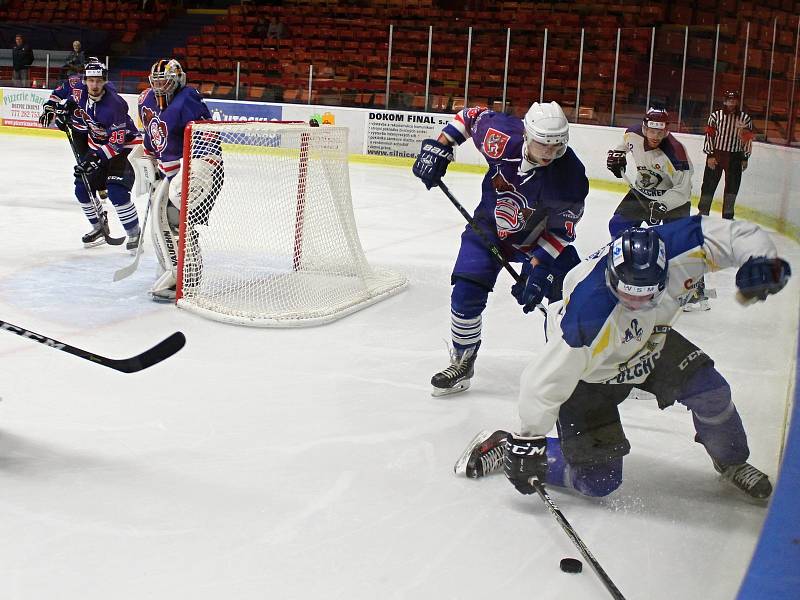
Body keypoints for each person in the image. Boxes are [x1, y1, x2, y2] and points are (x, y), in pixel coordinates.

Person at [456, 216, 791, 503]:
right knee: (598, 481)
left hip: (649, 341)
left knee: (712, 392)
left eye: (646, 293)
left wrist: (761, 260)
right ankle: (506, 445)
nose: (636, 301)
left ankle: (731, 462)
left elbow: (740, 235)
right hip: (591, 373)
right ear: (611, 277)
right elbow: (542, 380)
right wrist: (529, 440)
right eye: (627, 292)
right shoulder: (589, 319)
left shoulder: (680, 245)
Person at [412, 102, 588, 397]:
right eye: (543, 145)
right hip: (490, 229)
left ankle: (568, 364)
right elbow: (469, 117)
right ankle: (463, 359)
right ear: (527, 135)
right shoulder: (502, 136)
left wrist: (538, 268)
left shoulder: (570, 176)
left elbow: (561, 232)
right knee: (466, 289)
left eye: (556, 147)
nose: (549, 154)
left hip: (538, 241)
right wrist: (440, 147)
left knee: (572, 295)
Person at [132, 58, 222, 302]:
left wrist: (189, 171)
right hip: (168, 170)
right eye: (157, 82)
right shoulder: (146, 100)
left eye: (167, 82)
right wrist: (148, 164)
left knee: (175, 214)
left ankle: (186, 275)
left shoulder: (188, 99)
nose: (161, 88)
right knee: (160, 221)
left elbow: (206, 141)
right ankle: (171, 267)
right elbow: (152, 140)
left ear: (178, 80)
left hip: (200, 165)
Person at [38, 59, 142, 250]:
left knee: (117, 191)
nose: (94, 85)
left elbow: (116, 144)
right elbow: (69, 103)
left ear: (104, 81)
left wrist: (94, 158)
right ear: (85, 80)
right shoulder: (78, 89)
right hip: (98, 145)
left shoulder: (115, 104)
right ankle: (99, 227)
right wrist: (61, 115)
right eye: (91, 80)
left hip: (125, 148)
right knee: (81, 188)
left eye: (99, 81)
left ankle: (135, 233)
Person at [606, 107, 693, 238]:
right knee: (617, 225)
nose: (655, 137)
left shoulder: (675, 153)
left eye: (660, 132)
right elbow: (624, 145)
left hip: (673, 201)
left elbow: (684, 190)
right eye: (652, 131)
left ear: (666, 131)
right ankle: (625, 254)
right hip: (642, 193)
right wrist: (617, 156)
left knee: (677, 238)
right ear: (644, 129)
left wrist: (663, 204)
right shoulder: (632, 135)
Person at [698, 90, 754, 221]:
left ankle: (728, 215)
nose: (731, 102)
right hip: (717, 154)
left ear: (738, 101)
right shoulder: (715, 116)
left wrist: (745, 157)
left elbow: (747, 139)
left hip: (735, 157)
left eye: (734, 99)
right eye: (729, 99)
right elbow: (709, 136)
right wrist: (710, 155)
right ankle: (703, 211)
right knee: (708, 184)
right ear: (724, 101)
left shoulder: (745, 118)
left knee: (732, 186)